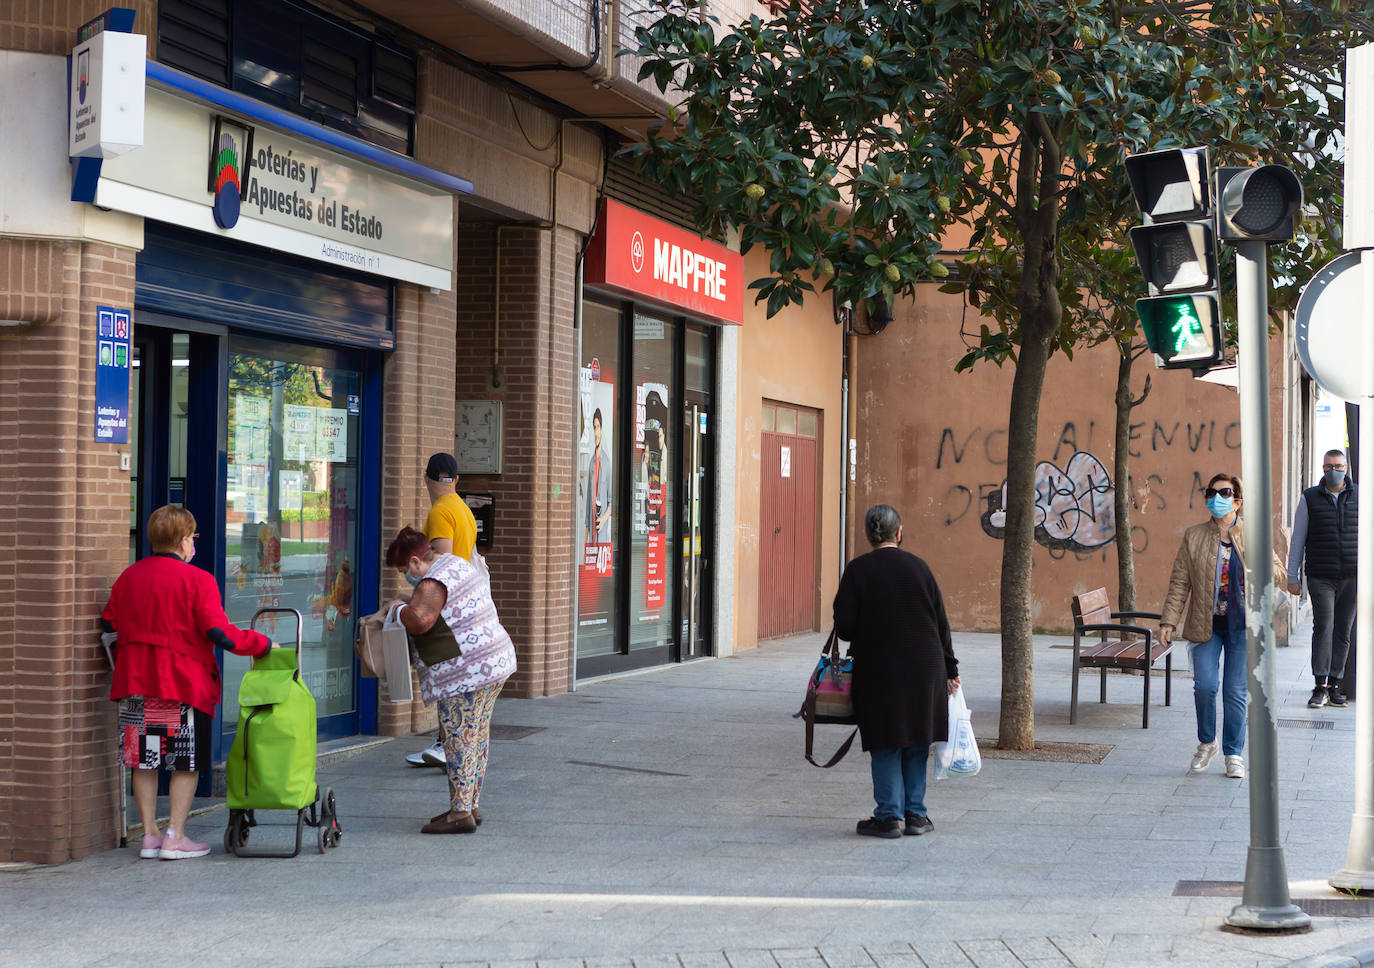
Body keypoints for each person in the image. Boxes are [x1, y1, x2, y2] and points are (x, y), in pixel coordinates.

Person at [101, 505, 276, 860]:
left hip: (136, 683)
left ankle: (149, 835)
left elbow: (109, 623)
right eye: (193, 537)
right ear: (183, 541)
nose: (193, 543)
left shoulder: (129, 577)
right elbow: (219, 633)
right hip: (181, 687)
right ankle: (175, 836)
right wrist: (264, 644)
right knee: (186, 762)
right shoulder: (198, 581)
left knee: (144, 761)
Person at [833, 504, 960, 839]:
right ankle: (916, 816)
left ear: (868, 535)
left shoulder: (857, 570)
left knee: (885, 740)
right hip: (925, 668)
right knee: (917, 740)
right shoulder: (921, 568)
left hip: (879, 669)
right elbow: (941, 624)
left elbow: (844, 628)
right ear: (899, 533)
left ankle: (888, 817)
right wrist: (951, 668)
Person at [386, 526, 516, 833]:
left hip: (465, 673)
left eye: (405, 569)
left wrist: (398, 608)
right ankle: (470, 806)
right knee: (477, 736)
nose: (406, 575)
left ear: (417, 561)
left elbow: (421, 620)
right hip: (493, 662)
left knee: (458, 739)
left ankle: (459, 814)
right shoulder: (455, 563)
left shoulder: (433, 581)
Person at [1160, 474, 1284, 780]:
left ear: (1237, 500)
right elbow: (1179, 582)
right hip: (1206, 624)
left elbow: (1279, 574)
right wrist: (1168, 621)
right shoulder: (1194, 536)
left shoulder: (1252, 534)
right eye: (1212, 492)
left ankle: (1233, 752)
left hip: (1242, 626)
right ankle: (1207, 742)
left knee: (1235, 691)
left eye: (1224, 492)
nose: (1217, 497)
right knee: (1205, 686)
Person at [405, 452, 480, 767]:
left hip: (445, 606)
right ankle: (448, 742)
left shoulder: (439, 513)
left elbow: (444, 564)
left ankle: (443, 744)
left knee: (446, 675)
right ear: (456, 480)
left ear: (426, 479)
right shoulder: (463, 509)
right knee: (454, 676)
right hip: (463, 601)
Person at [1286, 449, 1359, 709]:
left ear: (1346, 468)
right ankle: (1319, 686)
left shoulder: (1361, 496)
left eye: (1338, 466)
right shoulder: (1310, 498)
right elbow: (1297, 540)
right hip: (1321, 576)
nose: (1334, 471)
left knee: (1343, 630)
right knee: (1324, 627)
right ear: (1323, 468)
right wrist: (1291, 575)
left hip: (1353, 576)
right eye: (1328, 466)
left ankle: (1335, 684)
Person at [584, 408, 612, 544]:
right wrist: (586, 535)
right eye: (594, 428)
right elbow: (589, 499)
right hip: (591, 529)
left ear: (602, 429)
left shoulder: (607, 462)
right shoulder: (591, 462)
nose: (596, 432)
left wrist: (604, 519)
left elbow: (613, 500)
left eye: (598, 427)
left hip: (602, 528)